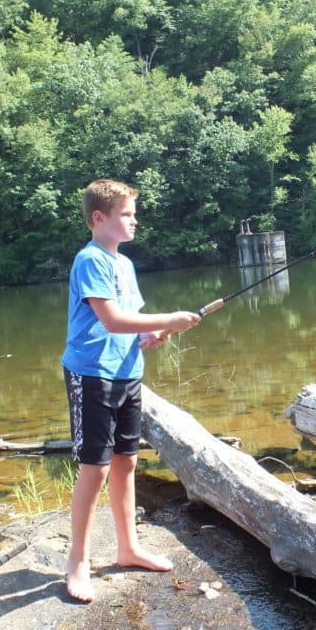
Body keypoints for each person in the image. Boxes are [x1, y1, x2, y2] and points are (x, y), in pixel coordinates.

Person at [61, 178, 201, 602]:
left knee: (126, 462)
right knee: (97, 466)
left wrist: (156, 332)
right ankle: (78, 562)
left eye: (134, 213)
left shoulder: (124, 264)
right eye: (126, 213)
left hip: (126, 372)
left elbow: (132, 324)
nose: (134, 219)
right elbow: (112, 321)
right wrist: (171, 317)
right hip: (91, 375)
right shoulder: (90, 260)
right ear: (99, 218)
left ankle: (128, 548)